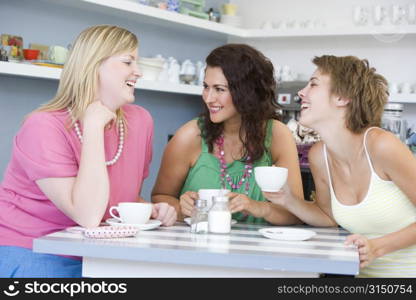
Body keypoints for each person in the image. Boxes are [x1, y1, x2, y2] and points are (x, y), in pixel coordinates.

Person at [0, 25, 177, 278]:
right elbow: (89, 215)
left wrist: (148, 209)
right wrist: (93, 125)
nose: (137, 72)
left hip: (97, 251)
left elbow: (114, 196)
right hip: (33, 249)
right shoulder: (43, 126)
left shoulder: (141, 121)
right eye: (128, 61)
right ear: (94, 66)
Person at [265, 55, 416, 277]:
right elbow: (328, 217)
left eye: (313, 84)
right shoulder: (320, 156)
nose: (301, 93)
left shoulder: (381, 146)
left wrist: (378, 246)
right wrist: (287, 199)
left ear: (342, 97)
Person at [151, 43, 303, 225]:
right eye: (206, 87)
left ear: (247, 92)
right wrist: (183, 209)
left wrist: (260, 208)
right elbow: (161, 197)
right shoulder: (189, 136)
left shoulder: (277, 135)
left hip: (256, 251)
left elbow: (295, 213)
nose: (208, 98)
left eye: (219, 89)